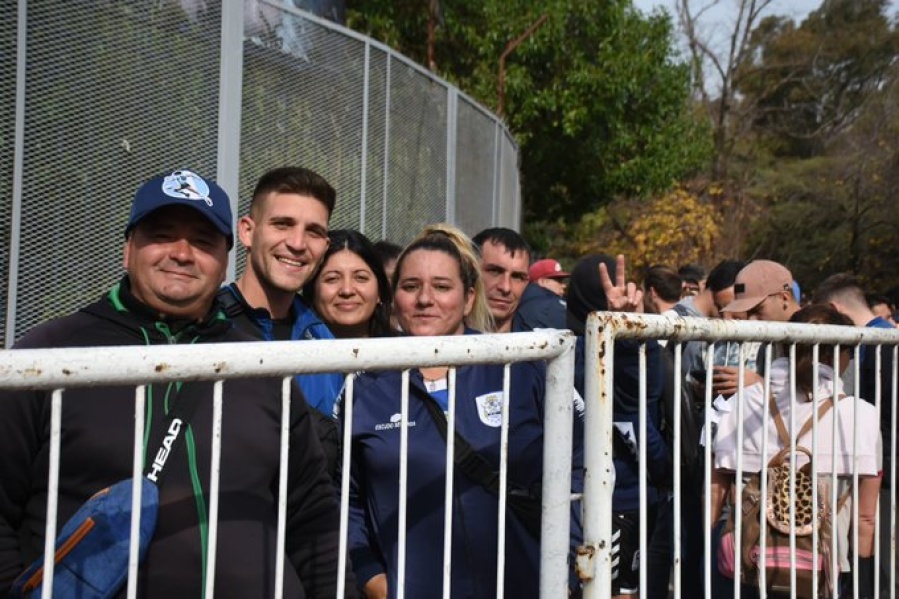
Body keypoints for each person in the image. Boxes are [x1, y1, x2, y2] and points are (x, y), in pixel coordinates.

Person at [0, 169, 352, 598]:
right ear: (128, 248)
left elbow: (310, 513)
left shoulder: (258, 365)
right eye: (163, 235)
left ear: (224, 258)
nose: (183, 254)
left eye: (203, 242)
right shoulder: (47, 355)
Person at [342, 223, 582, 599]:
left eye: (441, 286)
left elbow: (583, 464)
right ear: (393, 298)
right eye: (410, 287)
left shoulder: (522, 367)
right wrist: (372, 575)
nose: (425, 299)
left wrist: (565, 564)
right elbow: (347, 498)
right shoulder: (364, 386)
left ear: (469, 299)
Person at [710, 305, 881, 599]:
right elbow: (865, 518)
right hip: (823, 565)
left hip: (749, 557)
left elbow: (715, 492)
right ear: (834, 355)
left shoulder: (742, 403)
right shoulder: (862, 415)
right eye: (849, 353)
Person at [566, 253, 669, 599]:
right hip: (585, 496)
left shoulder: (642, 348)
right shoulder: (564, 349)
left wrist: (623, 333)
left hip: (625, 497)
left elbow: (639, 399)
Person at [217, 166, 344, 418]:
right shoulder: (204, 324)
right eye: (282, 225)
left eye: (313, 232)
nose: (297, 244)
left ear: (325, 246)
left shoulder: (324, 340)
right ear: (247, 232)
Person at [812, 273, 897, 597]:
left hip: (880, 474)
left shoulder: (875, 346)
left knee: (882, 572)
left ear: (836, 310)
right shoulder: (883, 340)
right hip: (877, 471)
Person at [302, 229, 394, 339]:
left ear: (380, 292)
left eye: (360, 278)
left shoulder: (406, 351)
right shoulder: (287, 351)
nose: (347, 290)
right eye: (332, 279)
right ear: (312, 290)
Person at [471, 227, 531, 333]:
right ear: (471, 271)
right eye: (495, 271)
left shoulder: (538, 346)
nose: (505, 287)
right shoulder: (439, 344)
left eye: (517, 277)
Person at [516, 258, 569, 330]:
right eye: (558, 280)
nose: (564, 285)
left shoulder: (522, 302)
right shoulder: (552, 305)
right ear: (542, 282)